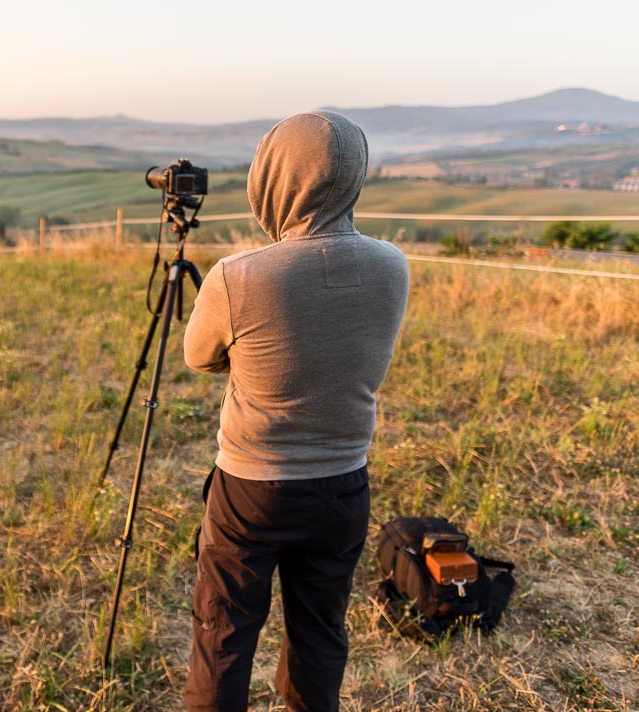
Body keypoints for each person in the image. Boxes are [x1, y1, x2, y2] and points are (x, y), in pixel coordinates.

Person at [182, 111, 410, 712]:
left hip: (251, 488)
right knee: (320, 633)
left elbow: (199, 356)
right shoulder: (393, 266)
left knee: (223, 639)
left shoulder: (237, 277)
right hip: (343, 487)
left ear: (273, 177)